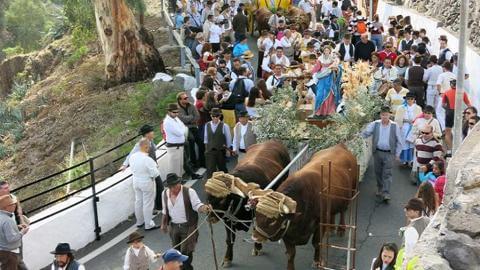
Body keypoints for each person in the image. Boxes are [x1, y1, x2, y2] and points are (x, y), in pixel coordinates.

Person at [161, 174, 211, 270]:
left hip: (188, 227)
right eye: (170, 187)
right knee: (175, 253)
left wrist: (205, 208)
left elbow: (197, 205)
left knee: (186, 254)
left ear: (179, 183)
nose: (173, 189)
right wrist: (163, 224)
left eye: (175, 186)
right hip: (174, 227)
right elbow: (164, 210)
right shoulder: (164, 194)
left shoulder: (189, 192)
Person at [361, 106, 403, 202]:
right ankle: (380, 188)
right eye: (383, 115)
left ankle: (386, 193)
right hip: (377, 152)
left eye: (386, 115)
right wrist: (356, 135)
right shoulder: (375, 124)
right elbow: (366, 133)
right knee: (378, 172)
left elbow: (399, 140)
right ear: (380, 115)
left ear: (389, 115)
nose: (385, 117)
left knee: (387, 173)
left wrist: (397, 154)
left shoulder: (394, 126)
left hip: (389, 153)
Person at [121, 125, 164, 211]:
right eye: (152, 131)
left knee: (158, 188)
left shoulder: (150, 141)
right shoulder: (140, 144)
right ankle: (155, 208)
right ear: (147, 134)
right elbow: (131, 154)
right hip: (147, 171)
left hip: (153, 168)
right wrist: (125, 164)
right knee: (156, 188)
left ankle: (158, 206)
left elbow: (154, 149)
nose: (153, 133)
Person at [130, 138, 161, 230]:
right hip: (146, 182)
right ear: (146, 146)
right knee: (148, 203)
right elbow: (155, 173)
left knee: (138, 201)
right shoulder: (147, 159)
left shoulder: (133, 157)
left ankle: (139, 222)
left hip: (136, 180)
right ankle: (148, 224)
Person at [177, 92, 204, 176]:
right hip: (185, 129)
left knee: (200, 143)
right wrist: (191, 118)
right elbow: (181, 119)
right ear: (180, 100)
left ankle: (202, 161)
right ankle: (194, 164)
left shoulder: (191, 105)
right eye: (185, 98)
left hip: (193, 127)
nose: (187, 99)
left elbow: (197, 116)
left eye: (187, 97)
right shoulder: (177, 108)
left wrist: (188, 119)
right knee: (191, 142)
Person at [442, 79, 471, 154]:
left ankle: (450, 150)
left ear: (451, 85)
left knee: (448, 132)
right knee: (460, 131)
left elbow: (443, 105)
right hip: (458, 112)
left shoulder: (446, 92)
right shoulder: (462, 93)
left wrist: (447, 109)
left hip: (449, 112)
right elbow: (468, 104)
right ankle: (459, 148)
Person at [0, 195, 29, 270]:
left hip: (4, 251)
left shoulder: (2, 217)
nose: (14, 205)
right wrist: (22, 232)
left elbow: (3, 231)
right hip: (10, 253)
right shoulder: (7, 220)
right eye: (12, 204)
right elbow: (11, 239)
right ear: (6, 207)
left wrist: (17, 227)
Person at [395, 92, 422, 166]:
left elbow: (420, 119)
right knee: (404, 143)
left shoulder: (418, 108)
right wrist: (404, 122)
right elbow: (397, 119)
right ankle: (404, 160)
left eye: (411, 99)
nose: (410, 100)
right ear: (406, 99)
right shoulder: (401, 108)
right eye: (408, 99)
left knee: (412, 144)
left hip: (413, 127)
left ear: (414, 100)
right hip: (404, 126)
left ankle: (412, 160)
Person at [204, 108, 232, 178]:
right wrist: (206, 150)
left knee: (222, 169)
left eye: (217, 116)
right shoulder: (207, 125)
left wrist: (228, 150)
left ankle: (226, 184)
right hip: (210, 151)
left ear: (219, 116)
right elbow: (206, 138)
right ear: (211, 116)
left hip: (221, 151)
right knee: (210, 170)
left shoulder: (225, 126)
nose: (215, 118)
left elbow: (229, 139)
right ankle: (211, 186)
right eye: (213, 116)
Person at [401, 198, 430, 264]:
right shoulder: (428, 220)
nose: (405, 211)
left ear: (417, 212)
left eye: (409, 209)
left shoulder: (411, 229)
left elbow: (409, 250)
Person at [163, 103, 187, 180]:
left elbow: (183, 126)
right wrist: (182, 129)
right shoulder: (167, 122)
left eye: (177, 112)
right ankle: (176, 185)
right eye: (174, 112)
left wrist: (182, 129)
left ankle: (179, 183)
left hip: (179, 146)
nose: (176, 114)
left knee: (180, 167)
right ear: (169, 112)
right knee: (175, 169)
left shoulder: (175, 119)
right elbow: (180, 132)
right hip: (174, 147)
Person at [435, 62, 456, 130]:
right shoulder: (454, 75)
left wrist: (440, 92)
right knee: (448, 111)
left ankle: (444, 127)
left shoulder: (442, 75)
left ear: (444, 67)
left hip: (444, 95)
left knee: (438, 111)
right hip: (452, 95)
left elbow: (438, 84)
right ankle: (449, 127)